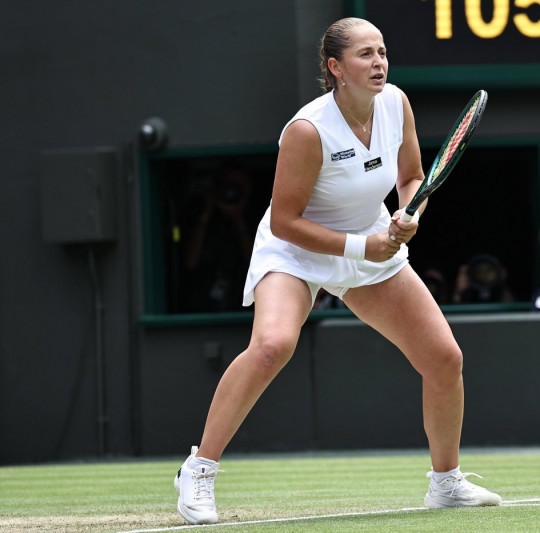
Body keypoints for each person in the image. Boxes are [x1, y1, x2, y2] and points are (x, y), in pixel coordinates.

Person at [173, 17, 501, 525]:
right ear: (335, 67)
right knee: (271, 346)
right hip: (295, 250)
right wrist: (360, 246)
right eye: (366, 54)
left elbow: (413, 177)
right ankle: (198, 469)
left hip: (371, 240)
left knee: (444, 358)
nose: (379, 64)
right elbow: (284, 221)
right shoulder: (308, 130)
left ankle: (446, 483)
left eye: (383, 52)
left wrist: (408, 214)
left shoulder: (395, 103)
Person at [181, 163, 256, 312]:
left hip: (240, 306)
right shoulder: (198, 214)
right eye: (229, 184)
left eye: (238, 185)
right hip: (201, 305)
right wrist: (206, 214)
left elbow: (256, 265)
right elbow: (190, 262)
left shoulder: (255, 219)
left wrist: (238, 218)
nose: (232, 190)